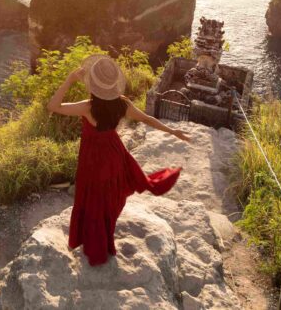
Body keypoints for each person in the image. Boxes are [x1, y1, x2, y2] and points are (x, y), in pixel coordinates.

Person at [47, 53, 192, 266]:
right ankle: (105, 236)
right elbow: (146, 118)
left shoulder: (88, 107)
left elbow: (53, 106)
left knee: (94, 200)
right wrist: (173, 131)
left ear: (93, 85)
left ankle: (96, 243)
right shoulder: (122, 104)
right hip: (115, 155)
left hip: (93, 161)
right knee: (109, 198)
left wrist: (69, 79)